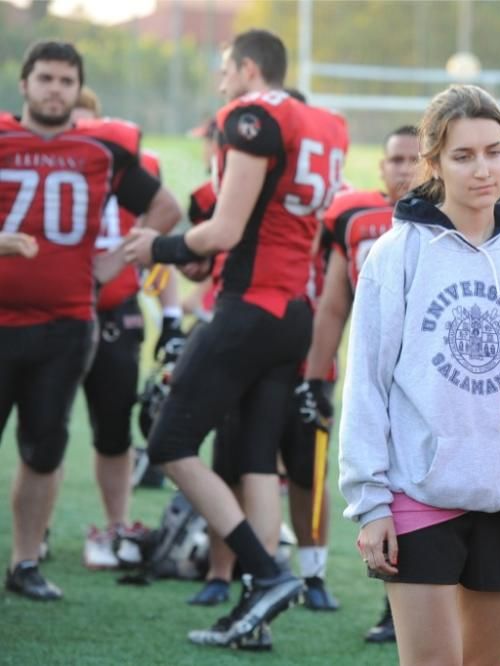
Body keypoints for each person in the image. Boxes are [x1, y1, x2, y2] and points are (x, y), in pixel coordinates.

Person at [121, 29, 348, 649]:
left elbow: (223, 231)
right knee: (254, 460)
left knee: (169, 440)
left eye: (225, 70)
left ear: (248, 68)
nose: (221, 82)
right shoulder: (324, 121)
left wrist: (159, 247)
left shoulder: (251, 117)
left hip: (250, 306)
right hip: (292, 312)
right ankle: (258, 605)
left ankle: (267, 572)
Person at [339, 84, 500, 666]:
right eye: (463, 156)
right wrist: (371, 502)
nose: (483, 169)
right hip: (421, 493)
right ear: (433, 164)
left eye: (493, 151)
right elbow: (366, 382)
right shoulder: (397, 252)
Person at [1, 40, 181, 601]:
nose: (56, 89)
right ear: (25, 84)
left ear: (79, 90)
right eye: (46, 78)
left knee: (44, 448)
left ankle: (25, 563)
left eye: (66, 81)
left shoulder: (102, 147)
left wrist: (115, 261)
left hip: (65, 324)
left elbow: (166, 208)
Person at [301, 123, 420, 640]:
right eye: (396, 159)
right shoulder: (353, 216)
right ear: (381, 166)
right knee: (381, 489)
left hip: (431, 384)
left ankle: (413, 605)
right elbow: (332, 305)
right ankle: (397, 604)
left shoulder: (459, 219)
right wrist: (315, 376)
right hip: (374, 377)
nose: (406, 169)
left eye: (415, 158)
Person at [69, 87, 186, 570]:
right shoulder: (28, 161)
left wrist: (172, 314)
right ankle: (30, 542)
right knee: (42, 431)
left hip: (116, 312)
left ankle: (115, 525)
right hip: (48, 312)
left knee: (113, 430)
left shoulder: (129, 170)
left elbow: (156, 242)